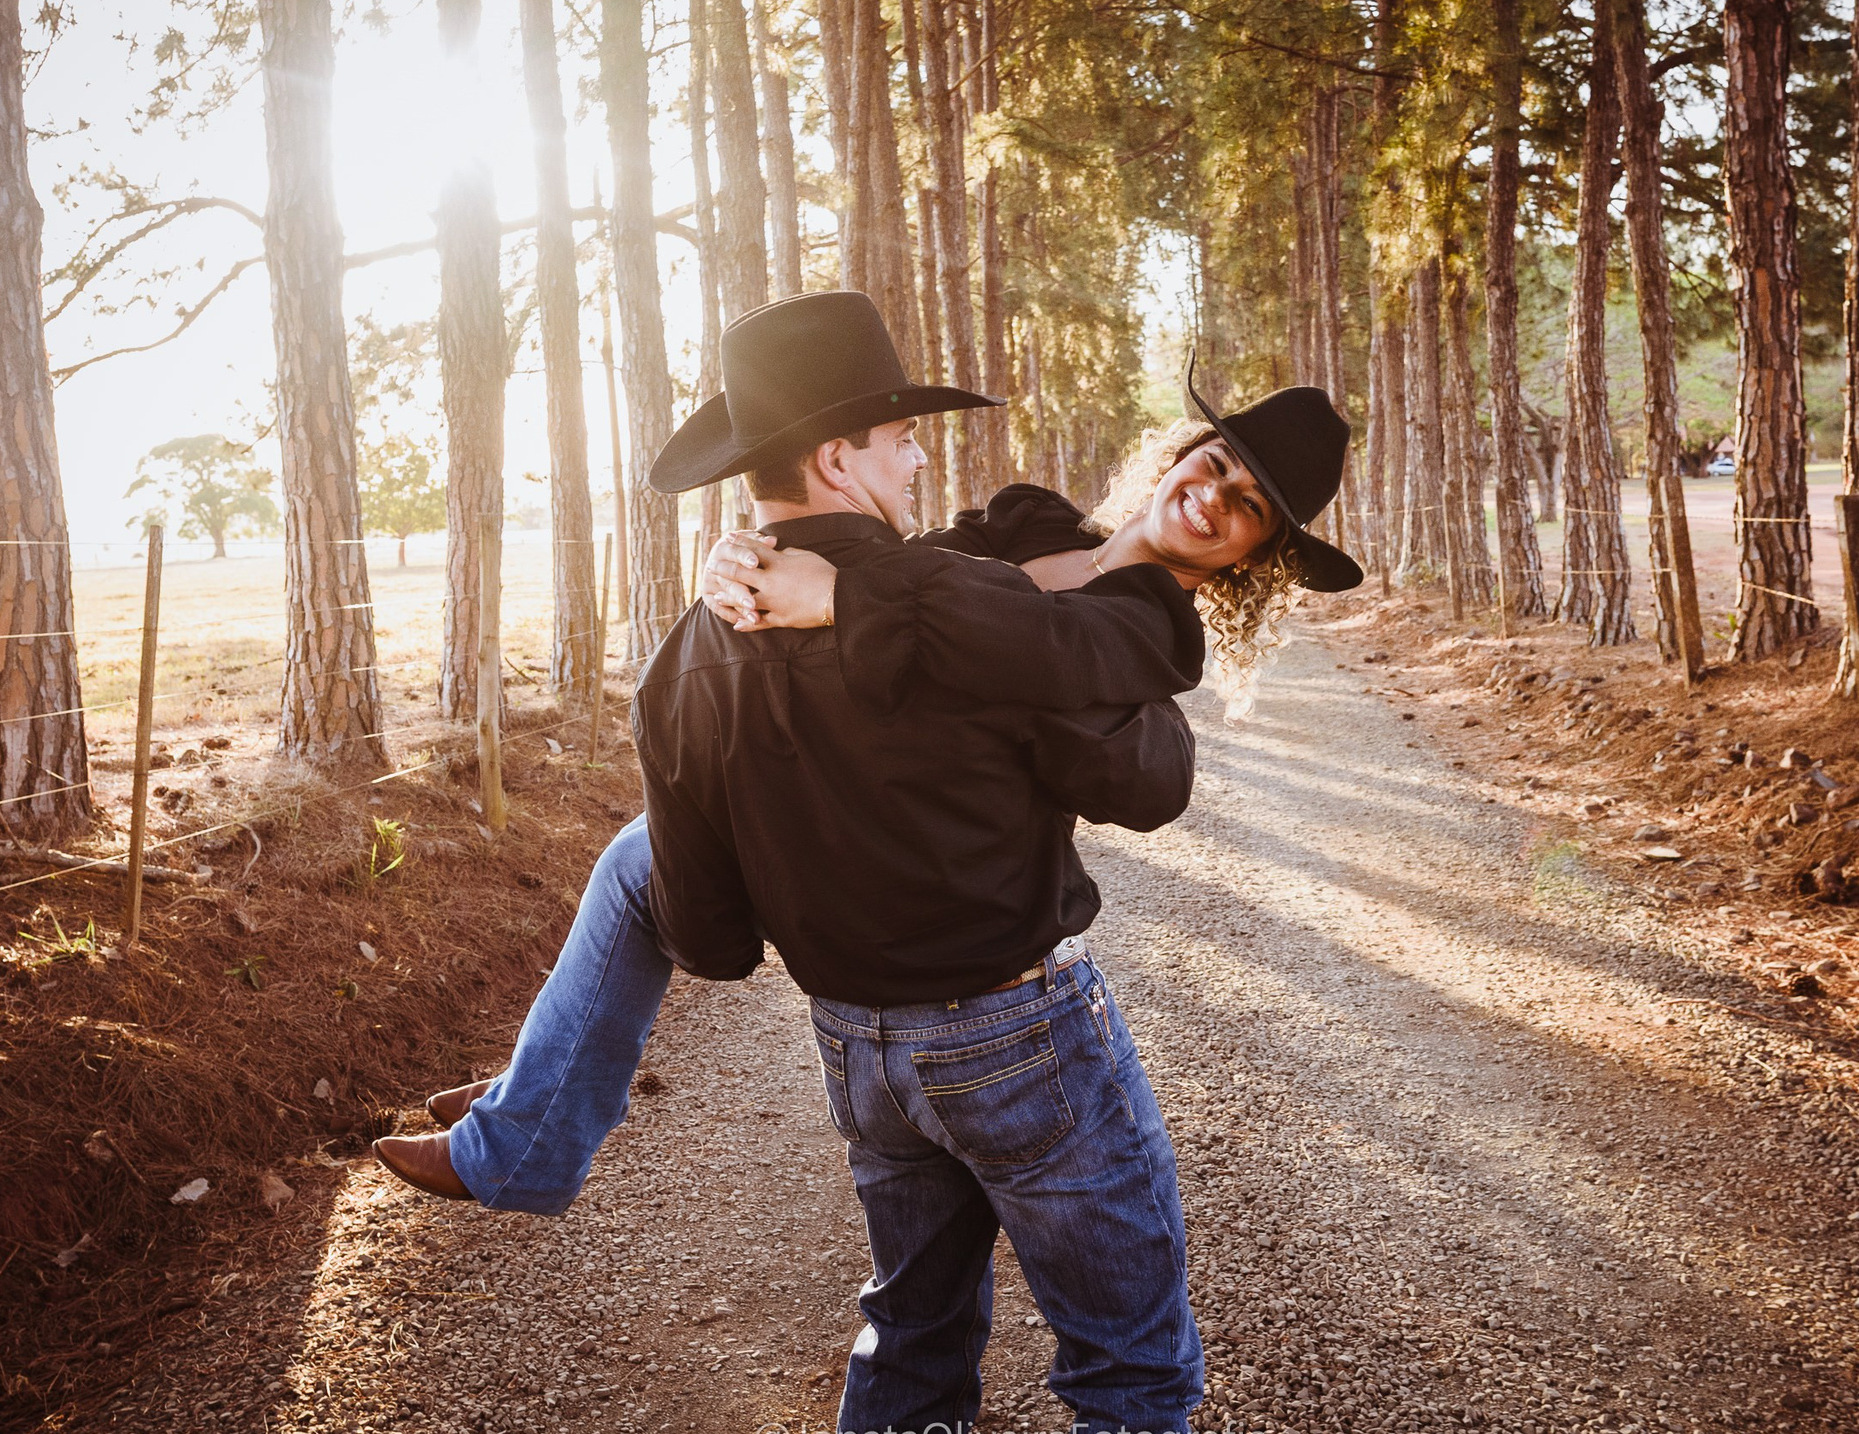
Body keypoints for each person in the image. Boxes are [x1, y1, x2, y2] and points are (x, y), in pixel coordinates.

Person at [373, 310, 1359, 1219]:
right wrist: (757, 557)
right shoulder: (1031, 521)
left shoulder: (1150, 628)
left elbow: (1034, 649)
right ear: (1184, 450)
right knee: (635, 856)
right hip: (868, 802)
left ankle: (536, 1109)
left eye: (1246, 508)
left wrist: (849, 600)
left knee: (646, 860)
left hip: (950, 869)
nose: (1212, 497)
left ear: (1250, 555)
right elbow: (905, 563)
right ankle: (539, 1098)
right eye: (1217, 463)